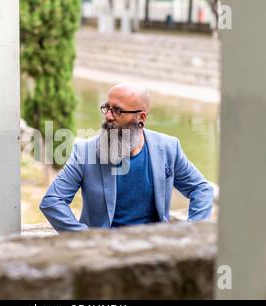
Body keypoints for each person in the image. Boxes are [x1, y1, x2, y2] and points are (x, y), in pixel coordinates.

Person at [40, 83, 213, 232]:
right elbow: (52, 201)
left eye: (117, 110)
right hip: (105, 255)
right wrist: (87, 238)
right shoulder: (84, 152)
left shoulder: (169, 147)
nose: (108, 116)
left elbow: (201, 189)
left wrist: (192, 230)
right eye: (107, 108)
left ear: (141, 118)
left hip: (154, 252)